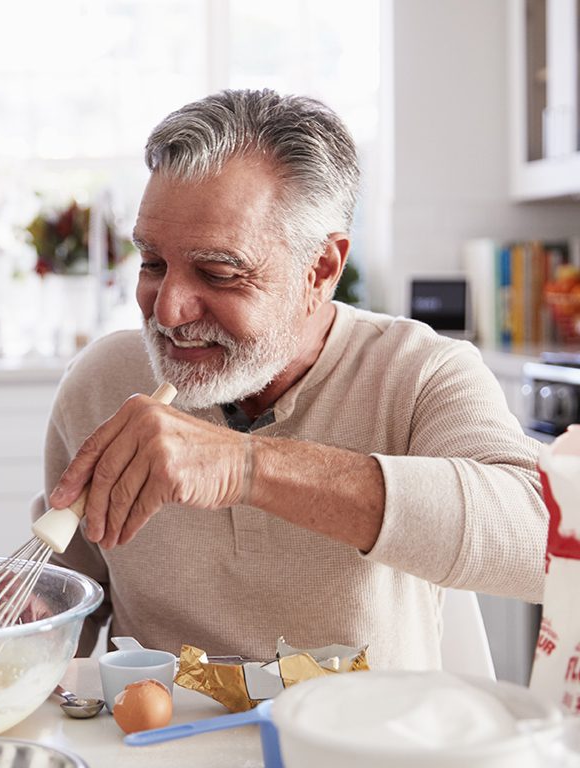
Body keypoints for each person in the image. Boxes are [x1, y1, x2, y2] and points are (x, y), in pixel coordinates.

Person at [35, 88, 547, 670]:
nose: (168, 310)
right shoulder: (103, 382)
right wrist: (19, 614)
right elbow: (66, 597)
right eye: (153, 263)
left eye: (218, 272)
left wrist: (244, 466)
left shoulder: (419, 373)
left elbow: (542, 541)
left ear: (322, 269)